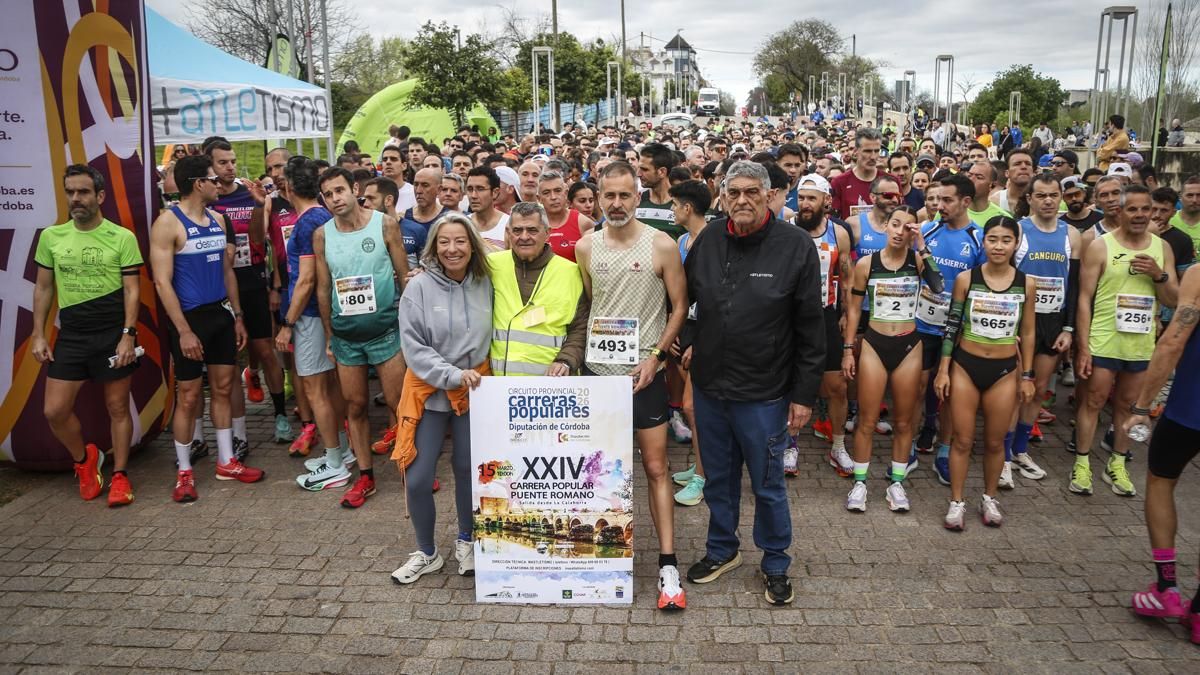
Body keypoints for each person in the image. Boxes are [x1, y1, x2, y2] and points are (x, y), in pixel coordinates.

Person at [682, 161, 825, 606]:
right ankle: (722, 549)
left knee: (767, 483)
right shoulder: (707, 241)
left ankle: (776, 562)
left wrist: (803, 396)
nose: (742, 201)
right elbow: (689, 303)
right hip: (710, 388)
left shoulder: (795, 246)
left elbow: (811, 328)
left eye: (751, 192)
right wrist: (687, 343)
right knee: (719, 479)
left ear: (769, 196)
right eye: (733, 193)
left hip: (765, 393)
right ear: (722, 197)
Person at [575, 161, 689, 611]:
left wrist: (656, 356)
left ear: (637, 197)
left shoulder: (662, 244)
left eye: (625, 195)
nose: (617, 204)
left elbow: (679, 307)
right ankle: (604, 555)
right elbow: (590, 303)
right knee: (600, 472)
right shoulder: (586, 248)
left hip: (645, 378)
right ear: (598, 198)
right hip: (598, 378)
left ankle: (667, 563)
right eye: (609, 196)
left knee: (657, 469)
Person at [149, 154, 262, 502]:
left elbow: (228, 272)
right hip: (189, 319)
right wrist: (183, 330)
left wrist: (238, 315)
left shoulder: (217, 218)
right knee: (189, 395)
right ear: (198, 183)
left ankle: (227, 461)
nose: (220, 184)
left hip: (220, 316)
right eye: (213, 179)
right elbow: (162, 283)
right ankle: (184, 470)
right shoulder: (168, 223)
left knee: (224, 388)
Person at [390, 214, 493, 584]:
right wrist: (451, 375)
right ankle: (426, 552)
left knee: (468, 470)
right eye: (444, 242)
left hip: (474, 393)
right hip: (430, 392)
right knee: (417, 477)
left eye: (461, 241)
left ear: (472, 245)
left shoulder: (487, 279)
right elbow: (413, 348)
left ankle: (467, 539)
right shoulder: (418, 288)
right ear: (433, 246)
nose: (453, 249)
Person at [33, 165, 143, 506]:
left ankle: (121, 476)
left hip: (113, 334)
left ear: (100, 196)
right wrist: (39, 334)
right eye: (70, 192)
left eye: (82, 192)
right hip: (74, 335)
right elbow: (43, 288)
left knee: (117, 408)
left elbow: (132, 291)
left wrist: (128, 335)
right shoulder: (52, 237)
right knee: (54, 411)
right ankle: (85, 460)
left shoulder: (121, 237)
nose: (76, 199)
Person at [313, 167, 411, 509]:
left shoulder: (384, 223)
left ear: (354, 189)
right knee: (355, 405)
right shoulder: (322, 234)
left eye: (340, 190)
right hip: (346, 337)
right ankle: (365, 476)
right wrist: (328, 335)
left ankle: (412, 470)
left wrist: (409, 325)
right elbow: (323, 288)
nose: (336, 199)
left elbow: (403, 276)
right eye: (328, 195)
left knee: (400, 403)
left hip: (385, 331)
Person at [1074, 185, 1179, 497]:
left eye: (1145, 209)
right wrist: (1084, 346)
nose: (1140, 215)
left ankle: (1117, 463)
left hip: (1140, 343)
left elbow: (1174, 299)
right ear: (1119, 211)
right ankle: (1081, 463)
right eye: (1132, 209)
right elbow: (1083, 299)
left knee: (1129, 405)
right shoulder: (1100, 246)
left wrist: (1159, 275)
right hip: (1104, 339)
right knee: (1093, 401)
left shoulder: (1162, 249)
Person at [935, 216, 1036, 529]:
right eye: (993, 239)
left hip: (1004, 369)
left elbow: (1029, 333)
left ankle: (989, 497)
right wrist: (943, 369)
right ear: (984, 242)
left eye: (1006, 240)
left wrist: (1028, 375)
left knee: (995, 442)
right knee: (962, 440)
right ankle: (957, 501)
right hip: (966, 365)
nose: (999, 246)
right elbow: (951, 326)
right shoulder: (967, 278)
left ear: (1016, 244)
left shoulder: (1026, 283)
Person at [842, 205, 942, 512]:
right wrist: (848, 349)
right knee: (867, 420)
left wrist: (923, 247)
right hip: (874, 342)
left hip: (909, 345)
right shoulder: (867, 264)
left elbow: (938, 287)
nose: (900, 232)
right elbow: (855, 309)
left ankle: (897, 483)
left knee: (903, 420)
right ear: (887, 227)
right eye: (895, 225)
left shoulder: (918, 262)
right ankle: (860, 482)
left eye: (907, 228)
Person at [1123, 266, 1200, 638]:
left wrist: (1142, 406)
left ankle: (1167, 588)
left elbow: (1173, 341)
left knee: (1161, 479)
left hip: (1191, 406)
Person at [275, 157, 353, 492]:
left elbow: (306, 280)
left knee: (315, 389)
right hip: (321, 314)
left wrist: (287, 323)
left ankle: (335, 462)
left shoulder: (308, 222)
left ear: (289, 187)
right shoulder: (321, 216)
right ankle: (343, 451)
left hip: (307, 316)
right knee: (330, 387)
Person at [1010, 174, 1081, 484]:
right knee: (1014, 390)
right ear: (1030, 199)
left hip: (1053, 321)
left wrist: (1069, 327)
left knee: (1038, 389)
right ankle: (1001, 455)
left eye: (1054, 195)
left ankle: (1020, 450)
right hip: (1021, 320)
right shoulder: (1019, 230)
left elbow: (1074, 284)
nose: (1049, 201)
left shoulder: (1072, 235)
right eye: (1042, 195)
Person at [206, 140, 274, 461]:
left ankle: (280, 415)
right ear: (210, 167)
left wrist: (259, 205)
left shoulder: (248, 192)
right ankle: (234, 432)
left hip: (253, 280)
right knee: (228, 363)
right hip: (220, 288)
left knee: (264, 348)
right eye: (222, 163)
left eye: (232, 161)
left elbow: (261, 236)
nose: (230, 167)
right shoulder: (206, 200)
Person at [919, 174, 988, 485]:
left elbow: (985, 286)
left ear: (965, 202)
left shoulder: (980, 238)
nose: (939, 205)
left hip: (957, 330)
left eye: (947, 200)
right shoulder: (926, 230)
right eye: (936, 199)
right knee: (916, 388)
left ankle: (945, 451)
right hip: (921, 324)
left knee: (947, 392)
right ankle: (909, 443)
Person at [789, 174, 854, 478]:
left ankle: (838, 445)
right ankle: (790, 443)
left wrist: (846, 313)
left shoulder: (838, 233)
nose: (805, 204)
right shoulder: (787, 229)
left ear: (826, 201)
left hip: (826, 315)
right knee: (789, 382)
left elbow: (848, 277)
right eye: (802, 198)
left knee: (837, 386)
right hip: (790, 317)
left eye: (811, 198)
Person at [488, 201, 588, 377]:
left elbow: (580, 327)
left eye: (532, 230)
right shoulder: (492, 266)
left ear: (547, 233)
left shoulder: (571, 272)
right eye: (517, 230)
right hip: (499, 389)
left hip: (550, 391)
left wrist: (566, 360)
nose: (524, 237)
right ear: (509, 233)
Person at [666, 179, 712, 506]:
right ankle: (700, 464)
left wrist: (701, 341)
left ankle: (704, 477)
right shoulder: (683, 240)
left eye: (674, 205)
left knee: (693, 407)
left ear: (687, 207)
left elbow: (717, 296)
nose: (671, 210)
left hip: (707, 335)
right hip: (687, 330)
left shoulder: (714, 240)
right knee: (693, 407)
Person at [538, 170, 595, 262]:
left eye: (557, 191)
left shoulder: (583, 223)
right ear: (539, 198)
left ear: (566, 193)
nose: (553, 197)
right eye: (546, 192)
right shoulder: (533, 224)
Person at [831, 127, 885, 219]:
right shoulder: (839, 182)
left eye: (876, 151)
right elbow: (834, 220)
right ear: (856, 151)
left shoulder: (890, 181)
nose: (873, 156)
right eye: (867, 151)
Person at [637, 143, 684, 239]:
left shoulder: (683, 203)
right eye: (639, 168)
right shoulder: (637, 201)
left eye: (644, 169)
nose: (638, 174)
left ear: (662, 172)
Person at [465, 166, 510, 249]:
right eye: (470, 189)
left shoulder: (508, 225)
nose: (473, 195)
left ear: (495, 192)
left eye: (480, 189)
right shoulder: (463, 224)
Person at [379, 145, 417, 213]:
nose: (388, 162)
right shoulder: (375, 192)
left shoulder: (414, 193)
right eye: (385, 159)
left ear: (404, 166)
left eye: (393, 159)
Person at [1169, 175, 1200, 255]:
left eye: (1199, 195)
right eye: (1190, 195)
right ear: (1181, 197)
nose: (1194, 200)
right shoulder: (1169, 220)